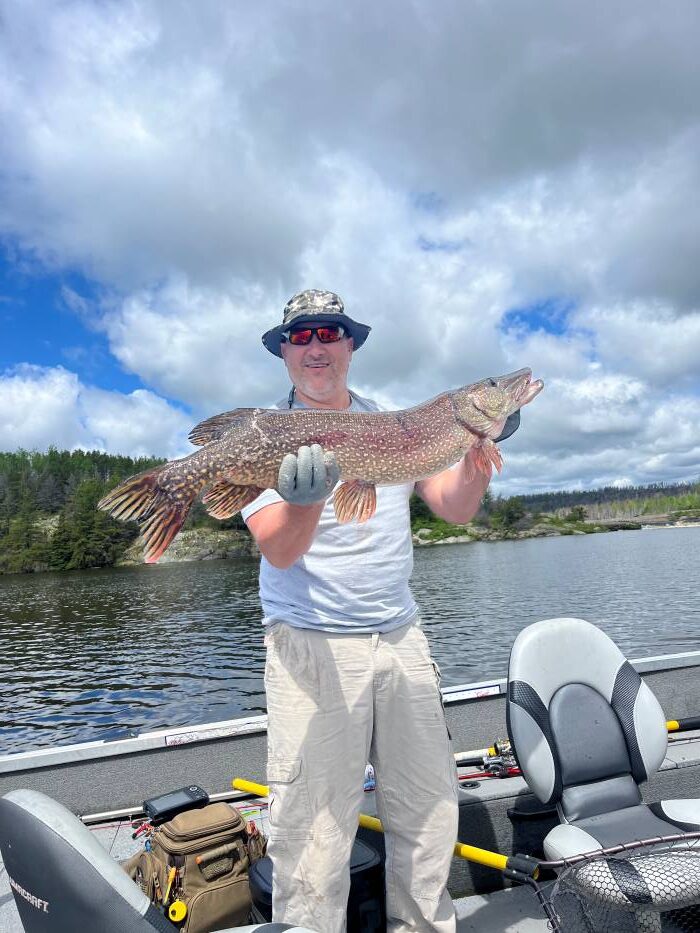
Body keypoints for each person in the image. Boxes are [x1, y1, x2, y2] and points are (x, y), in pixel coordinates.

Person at [241, 289, 518, 933]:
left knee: (427, 808)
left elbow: (454, 508)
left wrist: (478, 456)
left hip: (400, 640)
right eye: (302, 335)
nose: (316, 345)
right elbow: (280, 549)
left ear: (350, 345)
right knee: (312, 827)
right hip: (309, 647)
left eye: (329, 333)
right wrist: (307, 497)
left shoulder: (395, 427)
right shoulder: (264, 434)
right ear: (285, 351)